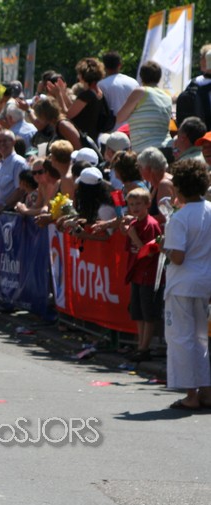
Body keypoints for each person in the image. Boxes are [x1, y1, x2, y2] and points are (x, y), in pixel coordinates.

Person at [161, 159, 211, 411]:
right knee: (201, 339)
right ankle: (206, 392)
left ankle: (191, 395)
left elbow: (178, 257)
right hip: (204, 282)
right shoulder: (210, 209)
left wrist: (164, 247)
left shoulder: (179, 218)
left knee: (182, 339)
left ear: (179, 188)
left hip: (182, 285)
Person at [119, 188, 162, 362]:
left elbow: (150, 252)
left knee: (148, 313)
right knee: (137, 312)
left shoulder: (150, 224)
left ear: (147, 204)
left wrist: (134, 236)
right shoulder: (134, 224)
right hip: (136, 273)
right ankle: (140, 346)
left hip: (148, 275)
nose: (135, 208)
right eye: (131, 204)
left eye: (138, 204)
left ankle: (145, 348)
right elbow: (129, 248)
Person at [115, 61, 172, 154]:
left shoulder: (140, 92)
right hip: (168, 148)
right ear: (159, 77)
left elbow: (120, 118)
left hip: (146, 151)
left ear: (141, 76)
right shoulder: (167, 95)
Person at [0, 129, 28, 213]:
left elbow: (20, 190)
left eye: (5, 141)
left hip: (11, 214)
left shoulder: (18, 163)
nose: (2, 144)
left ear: (13, 142)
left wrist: (2, 206)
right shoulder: (0, 165)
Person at [99, 52, 138, 127]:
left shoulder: (101, 85)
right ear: (120, 65)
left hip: (111, 130)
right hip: (132, 129)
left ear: (104, 66)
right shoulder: (133, 82)